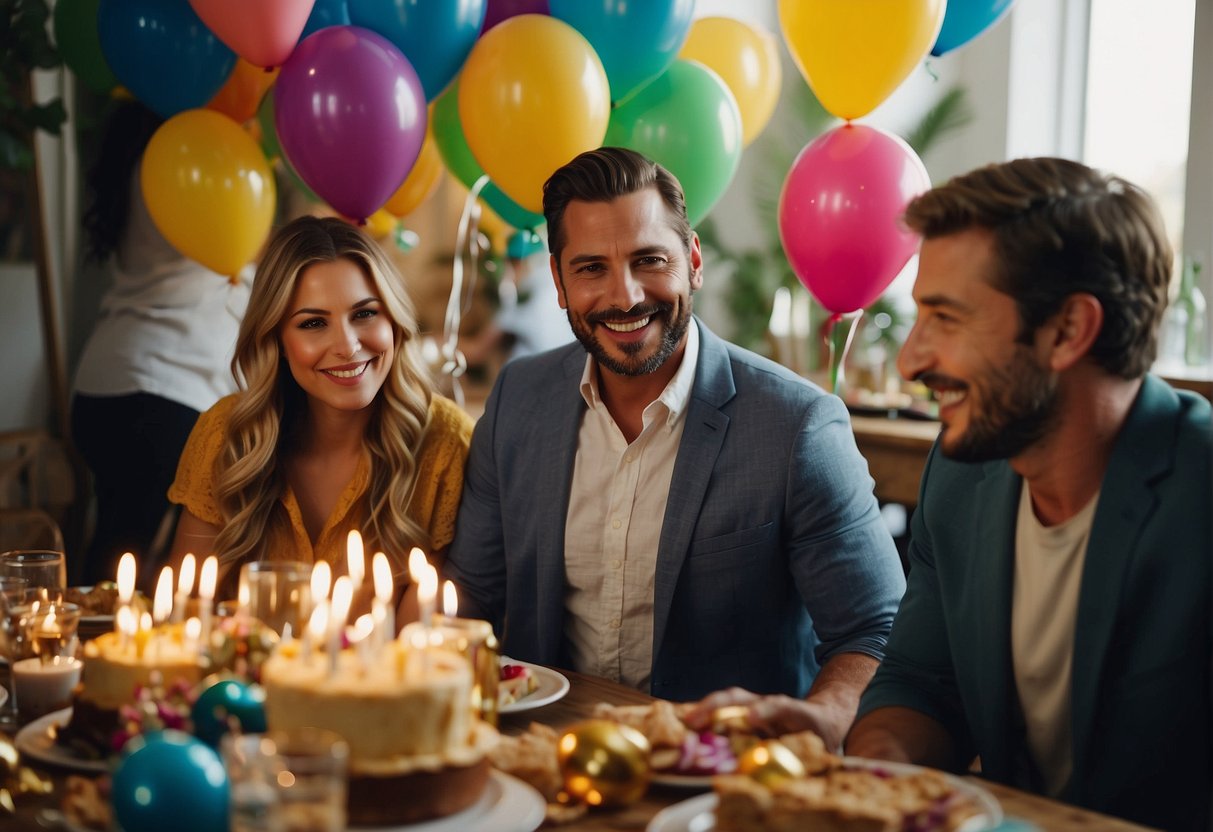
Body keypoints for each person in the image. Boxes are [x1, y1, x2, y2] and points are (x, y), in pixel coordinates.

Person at [442, 147, 906, 748]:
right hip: (545, 756)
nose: (626, 296)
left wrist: (829, 716)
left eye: (649, 259)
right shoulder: (518, 400)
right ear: (558, 282)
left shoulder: (798, 425)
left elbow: (876, 628)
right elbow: (469, 597)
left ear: (692, 261)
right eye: (590, 269)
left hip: (723, 776)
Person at [840, 158, 1211, 831]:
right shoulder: (959, 473)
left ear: (1068, 330)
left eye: (945, 318)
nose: (909, 361)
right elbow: (922, 683)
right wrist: (875, 777)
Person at [167, 215, 474, 592]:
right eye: (313, 323)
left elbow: (423, 636)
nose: (347, 346)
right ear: (276, 338)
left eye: (365, 314)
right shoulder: (226, 433)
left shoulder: (446, 440)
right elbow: (188, 613)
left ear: (393, 320)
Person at [71, 100, 252, 584]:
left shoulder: (138, 164)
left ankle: (84, 649)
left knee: (113, 549)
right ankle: (107, 656)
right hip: (169, 389)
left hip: (100, 381)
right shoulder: (197, 160)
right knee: (142, 568)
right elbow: (237, 262)